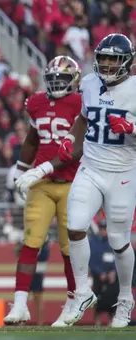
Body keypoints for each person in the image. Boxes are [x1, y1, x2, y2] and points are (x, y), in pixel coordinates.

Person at [50, 33, 136, 327]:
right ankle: (82, 292)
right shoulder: (88, 83)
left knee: (118, 240)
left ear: (127, 62)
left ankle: (125, 299)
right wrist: (70, 140)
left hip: (123, 172)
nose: (108, 64)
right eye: (104, 58)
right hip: (90, 167)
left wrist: (132, 127)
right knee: (74, 226)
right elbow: (84, 118)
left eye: (113, 59)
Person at [5, 55, 83, 326]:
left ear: (74, 81)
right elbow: (32, 139)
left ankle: (74, 302)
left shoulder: (79, 103)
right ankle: (19, 304)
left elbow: (76, 149)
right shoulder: (36, 102)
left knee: (69, 249)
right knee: (30, 243)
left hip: (72, 182)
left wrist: (38, 169)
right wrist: (19, 169)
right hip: (41, 185)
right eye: (52, 79)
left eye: (62, 79)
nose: (56, 84)